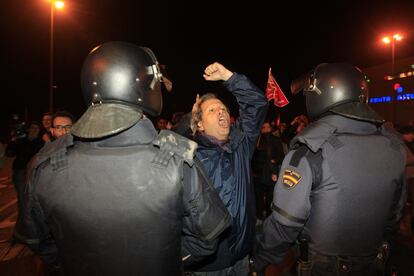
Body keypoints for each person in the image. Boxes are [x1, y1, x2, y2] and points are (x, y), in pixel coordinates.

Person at [14, 41, 230, 275]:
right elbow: (207, 239)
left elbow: (37, 241)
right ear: (143, 87)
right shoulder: (178, 160)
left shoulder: (44, 164)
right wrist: (163, 260)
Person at [252, 63, 406, 275]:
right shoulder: (394, 147)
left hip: (324, 267)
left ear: (321, 94)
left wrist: (259, 260)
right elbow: (394, 216)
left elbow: (284, 224)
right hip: (376, 262)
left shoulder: (309, 151)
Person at [183, 62, 268, 275]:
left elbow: (257, 104)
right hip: (206, 267)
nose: (221, 112)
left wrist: (230, 78)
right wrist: (188, 120)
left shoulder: (241, 144)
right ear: (200, 124)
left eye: (224, 109)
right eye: (212, 110)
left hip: (241, 258)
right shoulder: (188, 156)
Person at [6, 121, 44, 212]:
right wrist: (12, 141)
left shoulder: (41, 142)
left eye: (37, 128)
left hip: (35, 172)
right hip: (20, 172)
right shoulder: (21, 140)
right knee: (23, 197)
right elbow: (9, 153)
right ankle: (23, 219)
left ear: (39, 131)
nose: (34, 130)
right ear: (28, 129)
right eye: (32, 128)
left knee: (35, 196)